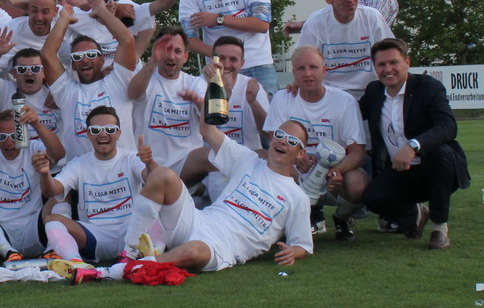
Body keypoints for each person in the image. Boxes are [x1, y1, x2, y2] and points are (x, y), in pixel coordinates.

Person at [69, 114, 312, 283]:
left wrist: (294, 252)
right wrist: (211, 81)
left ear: (301, 153)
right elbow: (208, 130)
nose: (283, 141)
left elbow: (303, 244)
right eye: (280, 134)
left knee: (195, 252)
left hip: (224, 247)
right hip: (198, 220)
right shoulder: (248, 160)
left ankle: (116, 271)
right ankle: (128, 252)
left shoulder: (297, 197)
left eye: (292, 141)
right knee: (163, 175)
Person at [361, 38, 469, 249]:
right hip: (399, 170)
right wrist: (304, 91)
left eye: (394, 62)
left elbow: (448, 126)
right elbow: (348, 114)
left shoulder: (429, 87)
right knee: (373, 198)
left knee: (441, 154)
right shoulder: (373, 91)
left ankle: (439, 228)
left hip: (435, 167)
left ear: (407, 62)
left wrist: (413, 146)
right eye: (381, 64)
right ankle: (417, 213)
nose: (388, 69)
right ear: (375, 67)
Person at [263, 46, 368, 241]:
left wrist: (337, 171)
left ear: (324, 70)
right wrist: (295, 159)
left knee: (358, 183)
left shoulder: (344, 101)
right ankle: (287, 223)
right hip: (295, 174)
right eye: (301, 68)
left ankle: (342, 217)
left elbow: (358, 152)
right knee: (262, 161)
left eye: (313, 67)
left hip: (332, 179)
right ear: (293, 72)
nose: (307, 73)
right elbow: (273, 143)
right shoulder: (282, 98)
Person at [38, 106, 156, 270]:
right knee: (52, 220)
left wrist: (149, 163)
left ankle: (153, 253)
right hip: (95, 236)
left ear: (118, 133)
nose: (103, 134)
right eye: (96, 130)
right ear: (88, 134)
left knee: (159, 204)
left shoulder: (131, 158)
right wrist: (45, 173)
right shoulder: (79, 163)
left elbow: (154, 180)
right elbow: (52, 191)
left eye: (110, 129)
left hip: (132, 232)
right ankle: (77, 266)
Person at [0, 100, 65, 260]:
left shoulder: (33, 148)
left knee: (61, 196)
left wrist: (36, 124)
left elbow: (58, 154)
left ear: (24, 134)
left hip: (33, 227)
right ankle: (9, 253)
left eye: (14, 136)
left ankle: (52, 249)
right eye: (2, 137)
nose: (9, 142)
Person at [43, 2, 139, 158]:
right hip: (81, 172)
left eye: (92, 55)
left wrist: (102, 12)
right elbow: (47, 55)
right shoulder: (66, 91)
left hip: (125, 169)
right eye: (78, 57)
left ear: (102, 60)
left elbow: (127, 40)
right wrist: (63, 20)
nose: (85, 60)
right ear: (73, 65)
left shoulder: (118, 81)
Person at [179, 36, 269, 200]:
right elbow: (201, 126)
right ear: (212, 60)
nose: (226, 64)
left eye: (233, 60)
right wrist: (217, 87)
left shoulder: (251, 86)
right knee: (213, 160)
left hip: (245, 160)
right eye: (221, 58)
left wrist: (253, 102)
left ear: (242, 63)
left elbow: (267, 133)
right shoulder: (199, 83)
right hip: (209, 163)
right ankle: (200, 192)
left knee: (264, 155)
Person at [295, 0, 394, 100]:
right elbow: (302, 59)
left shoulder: (373, 17)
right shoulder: (315, 22)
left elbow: (390, 52)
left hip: (370, 92)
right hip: (330, 94)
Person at [128, 26, 207, 174]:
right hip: (147, 166)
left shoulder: (195, 83)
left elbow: (208, 118)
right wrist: (152, 61)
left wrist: (197, 101)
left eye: (177, 51)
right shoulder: (145, 77)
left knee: (214, 154)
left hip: (185, 166)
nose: (171, 56)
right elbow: (133, 93)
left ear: (185, 57)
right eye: (165, 50)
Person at [0, 31, 58, 141]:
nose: (29, 73)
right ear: (14, 73)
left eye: (35, 68)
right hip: (12, 150)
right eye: (22, 69)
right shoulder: (6, 91)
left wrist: (58, 93)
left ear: (44, 72)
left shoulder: (55, 96)